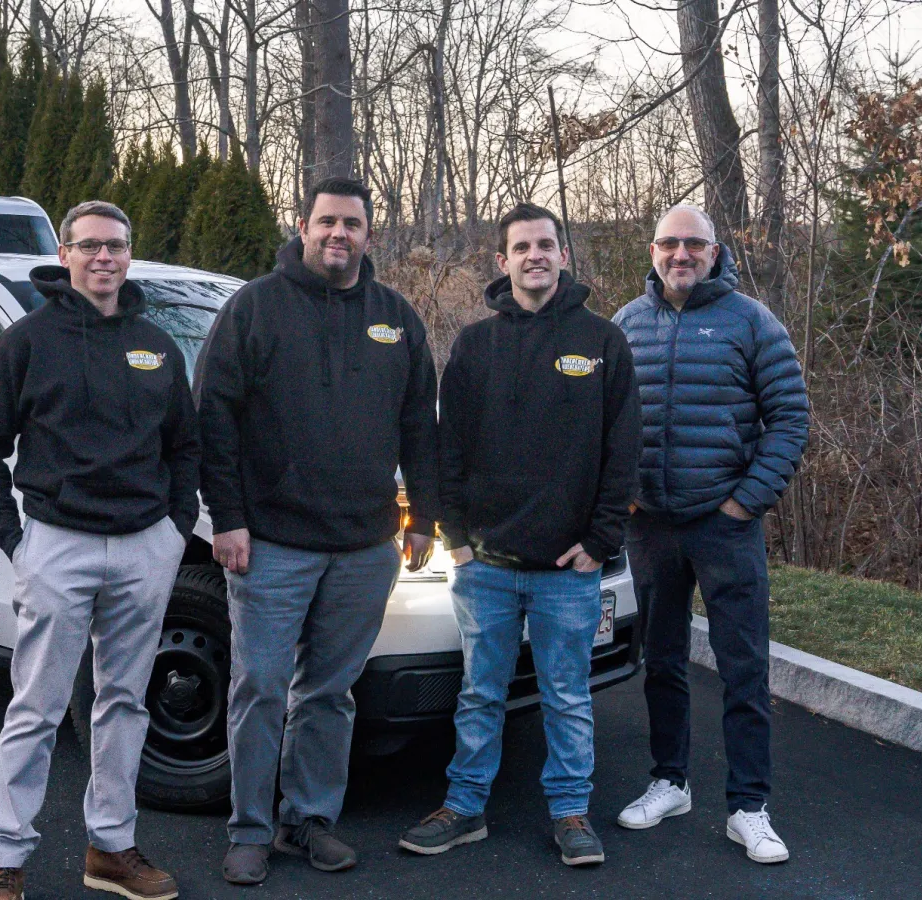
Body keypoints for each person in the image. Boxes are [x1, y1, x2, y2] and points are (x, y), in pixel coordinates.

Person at [196, 176, 442, 885]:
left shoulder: (396, 318)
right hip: (271, 544)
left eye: (353, 224)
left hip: (365, 547)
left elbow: (417, 426)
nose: (340, 234)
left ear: (370, 233)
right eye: (327, 221)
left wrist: (421, 517)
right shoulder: (253, 308)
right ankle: (250, 828)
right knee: (261, 687)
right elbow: (214, 418)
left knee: (330, 694)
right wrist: (229, 519)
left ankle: (311, 821)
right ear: (302, 225)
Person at [0, 200, 200, 900]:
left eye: (117, 245)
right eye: (90, 245)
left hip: (143, 549)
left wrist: (173, 530)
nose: (105, 257)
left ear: (130, 254)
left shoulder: (157, 344)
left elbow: (183, 445)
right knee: (35, 708)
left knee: (125, 702)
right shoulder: (28, 341)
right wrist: (17, 539)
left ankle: (112, 848)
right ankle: (4, 860)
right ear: (65, 255)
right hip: (57, 545)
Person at [398, 203, 640, 868]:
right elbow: (449, 450)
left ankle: (570, 813)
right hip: (489, 565)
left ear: (564, 256)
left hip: (570, 567)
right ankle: (465, 807)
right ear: (501, 262)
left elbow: (623, 452)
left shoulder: (601, 343)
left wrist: (600, 539)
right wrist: (459, 539)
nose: (535, 255)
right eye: (521, 247)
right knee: (480, 692)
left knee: (567, 695)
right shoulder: (476, 345)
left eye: (546, 245)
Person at [611, 205, 809, 864]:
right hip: (651, 526)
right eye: (670, 243)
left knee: (743, 666)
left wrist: (744, 504)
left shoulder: (752, 322)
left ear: (715, 253)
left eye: (694, 244)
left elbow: (788, 417)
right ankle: (670, 781)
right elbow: (601, 422)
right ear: (654, 249)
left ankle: (749, 806)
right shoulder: (627, 325)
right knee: (661, 660)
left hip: (724, 525)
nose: (681, 254)